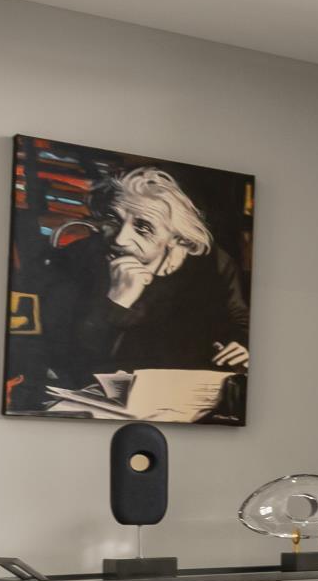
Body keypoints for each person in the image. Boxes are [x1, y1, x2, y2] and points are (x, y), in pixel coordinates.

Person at [47, 167, 251, 405]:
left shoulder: (215, 264)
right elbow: (64, 357)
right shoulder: (80, 257)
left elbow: (241, 321)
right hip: (104, 402)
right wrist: (116, 303)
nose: (121, 239)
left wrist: (242, 345)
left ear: (177, 237)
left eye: (143, 227)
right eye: (114, 219)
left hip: (187, 401)